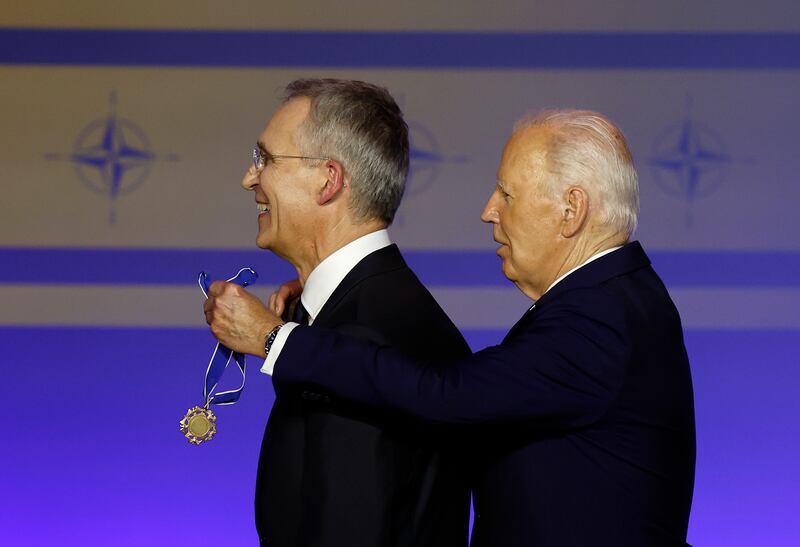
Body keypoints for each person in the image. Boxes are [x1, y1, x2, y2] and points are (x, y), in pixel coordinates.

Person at [206, 109, 696, 546]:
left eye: (507, 193)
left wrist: (275, 339)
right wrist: (324, 294)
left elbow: (447, 395)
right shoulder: (617, 300)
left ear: (571, 209)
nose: (488, 210)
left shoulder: (602, 317)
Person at [205, 78, 471, 546]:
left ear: (328, 179)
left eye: (264, 159)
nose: (250, 178)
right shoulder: (367, 308)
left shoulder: (363, 334)